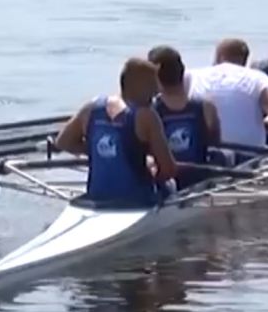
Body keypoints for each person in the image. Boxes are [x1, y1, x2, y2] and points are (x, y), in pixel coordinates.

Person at [55, 57, 177, 206]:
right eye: (153, 88)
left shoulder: (91, 107)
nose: (156, 94)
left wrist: (99, 151)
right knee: (171, 184)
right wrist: (152, 169)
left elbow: (63, 142)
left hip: (97, 198)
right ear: (139, 85)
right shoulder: (146, 115)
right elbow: (168, 170)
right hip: (136, 202)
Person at [185, 38, 268, 160]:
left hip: (206, 153)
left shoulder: (194, 75)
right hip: (250, 153)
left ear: (219, 56)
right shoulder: (257, 76)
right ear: (245, 61)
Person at [147, 45, 222, 189]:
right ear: (182, 71)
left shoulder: (148, 112)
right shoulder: (207, 107)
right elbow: (216, 144)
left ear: (154, 77)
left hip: (164, 184)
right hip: (199, 182)